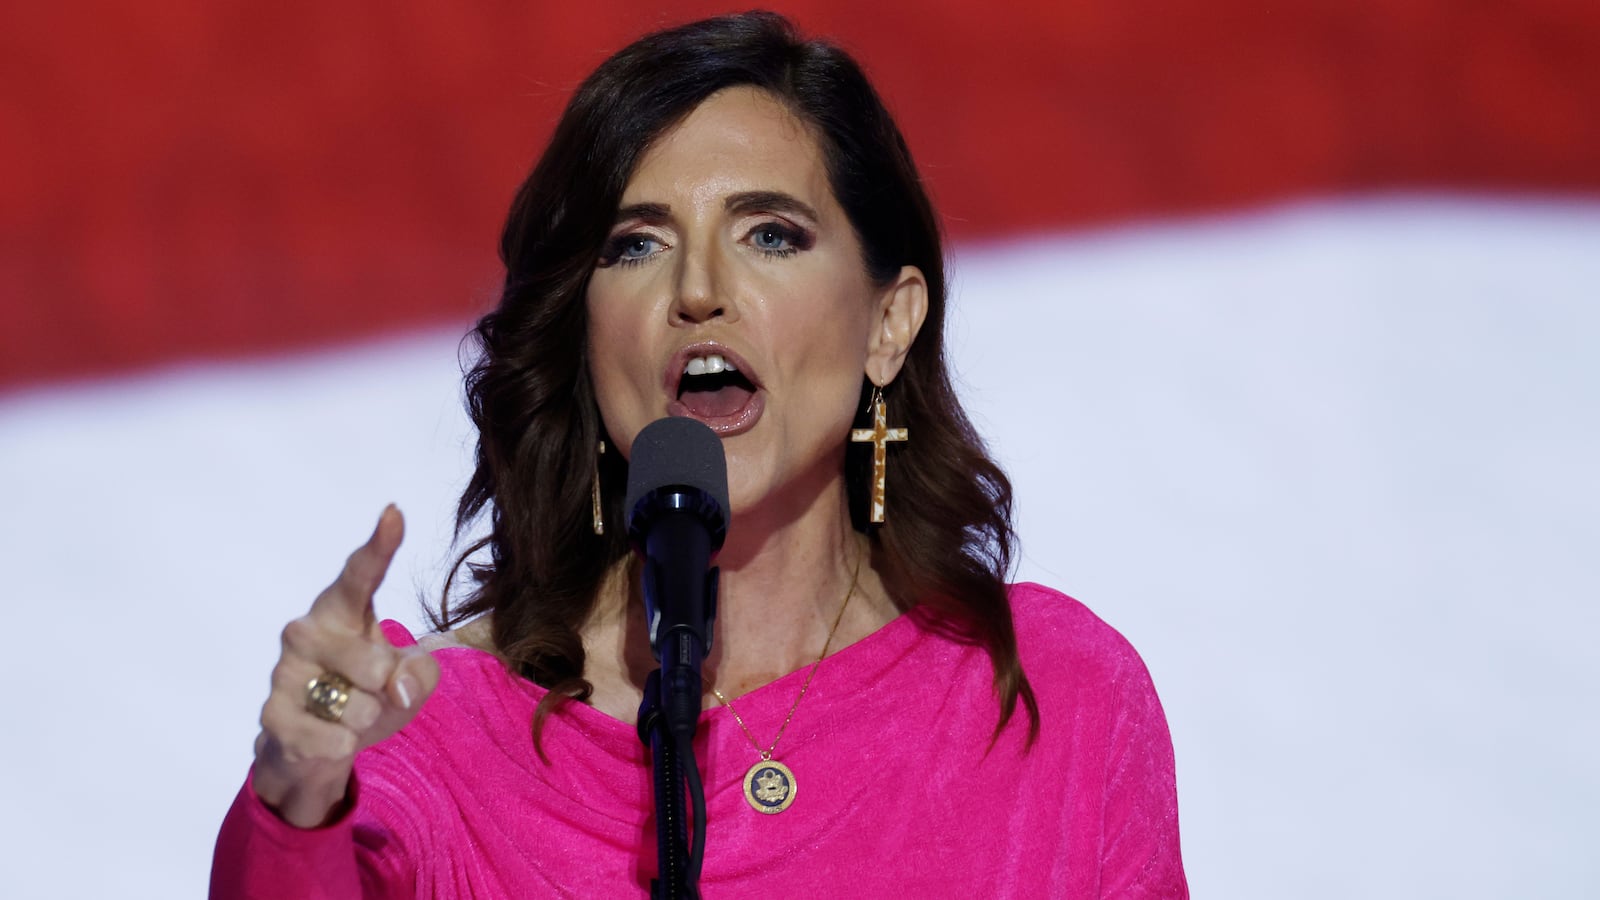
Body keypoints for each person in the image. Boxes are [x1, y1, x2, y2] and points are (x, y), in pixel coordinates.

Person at [212, 11, 1186, 898]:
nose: (699, 291)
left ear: (888, 322)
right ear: (586, 340)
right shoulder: (419, 730)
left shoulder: (1051, 698)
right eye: (636, 245)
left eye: (770, 233)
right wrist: (299, 791)